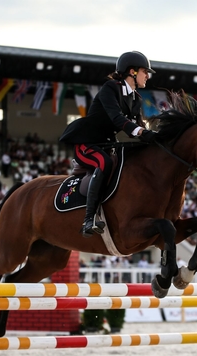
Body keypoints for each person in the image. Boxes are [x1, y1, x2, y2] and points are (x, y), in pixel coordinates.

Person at [59, 51, 158, 238]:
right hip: (87, 142)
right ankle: (89, 219)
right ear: (132, 72)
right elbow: (117, 118)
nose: (148, 76)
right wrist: (141, 132)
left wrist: (156, 137)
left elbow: (139, 126)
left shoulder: (136, 98)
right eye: (145, 71)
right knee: (104, 163)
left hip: (106, 144)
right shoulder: (110, 88)